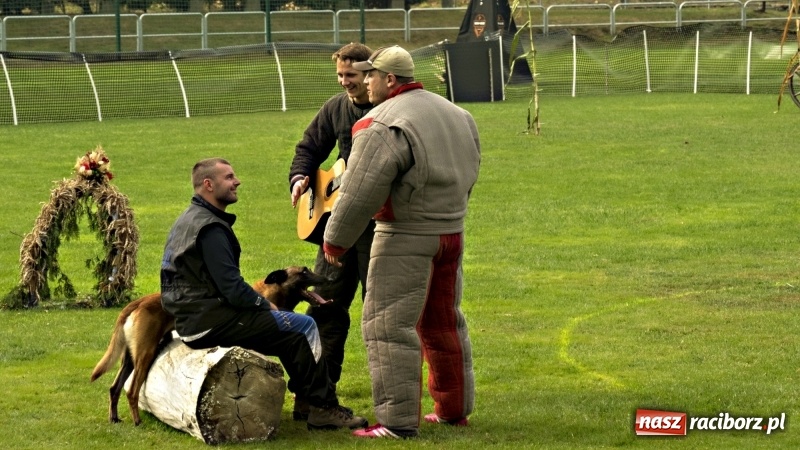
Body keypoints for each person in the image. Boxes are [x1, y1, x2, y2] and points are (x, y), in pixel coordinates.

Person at [322, 46, 480, 439]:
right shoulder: (458, 115)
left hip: (405, 235)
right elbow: (471, 169)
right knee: (444, 322)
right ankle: (453, 410)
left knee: (387, 325)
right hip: (451, 231)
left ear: (389, 79)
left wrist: (335, 240)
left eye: (371, 76)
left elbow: (359, 193)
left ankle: (396, 423)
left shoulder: (381, 122)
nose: (365, 84)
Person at [160, 157, 368, 431]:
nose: (237, 182)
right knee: (304, 326)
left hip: (194, 321)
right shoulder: (210, 229)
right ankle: (324, 408)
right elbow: (232, 288)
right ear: (208, 185)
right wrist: (264, 304)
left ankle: (306, 403)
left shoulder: (188, 220)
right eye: (229, 177)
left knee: (289, 335)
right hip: (210, 322)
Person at [288, 42, 375, 421]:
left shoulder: (389, 109)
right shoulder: (336, 108)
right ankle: (312, 399)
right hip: (336, 229)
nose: (344, 82)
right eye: (340, 75)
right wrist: (299, 177)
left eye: (350, 75)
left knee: (380, 312)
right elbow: (309, 148)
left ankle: (393, 401)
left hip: (379, 229)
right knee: (324, 309)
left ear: (370, 74)